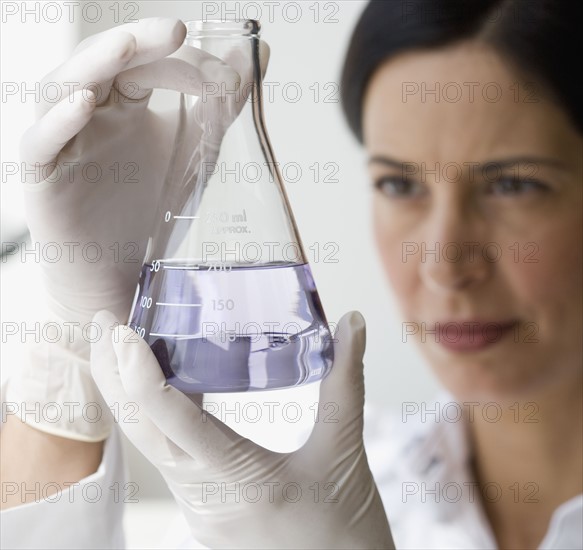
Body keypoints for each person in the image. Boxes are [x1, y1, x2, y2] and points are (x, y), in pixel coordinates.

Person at [1, 1, 581, 548]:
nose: (444, 266)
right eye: (400, 184)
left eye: (515, 185)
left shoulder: (328, 493)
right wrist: (76, 342)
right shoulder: (338, 469)